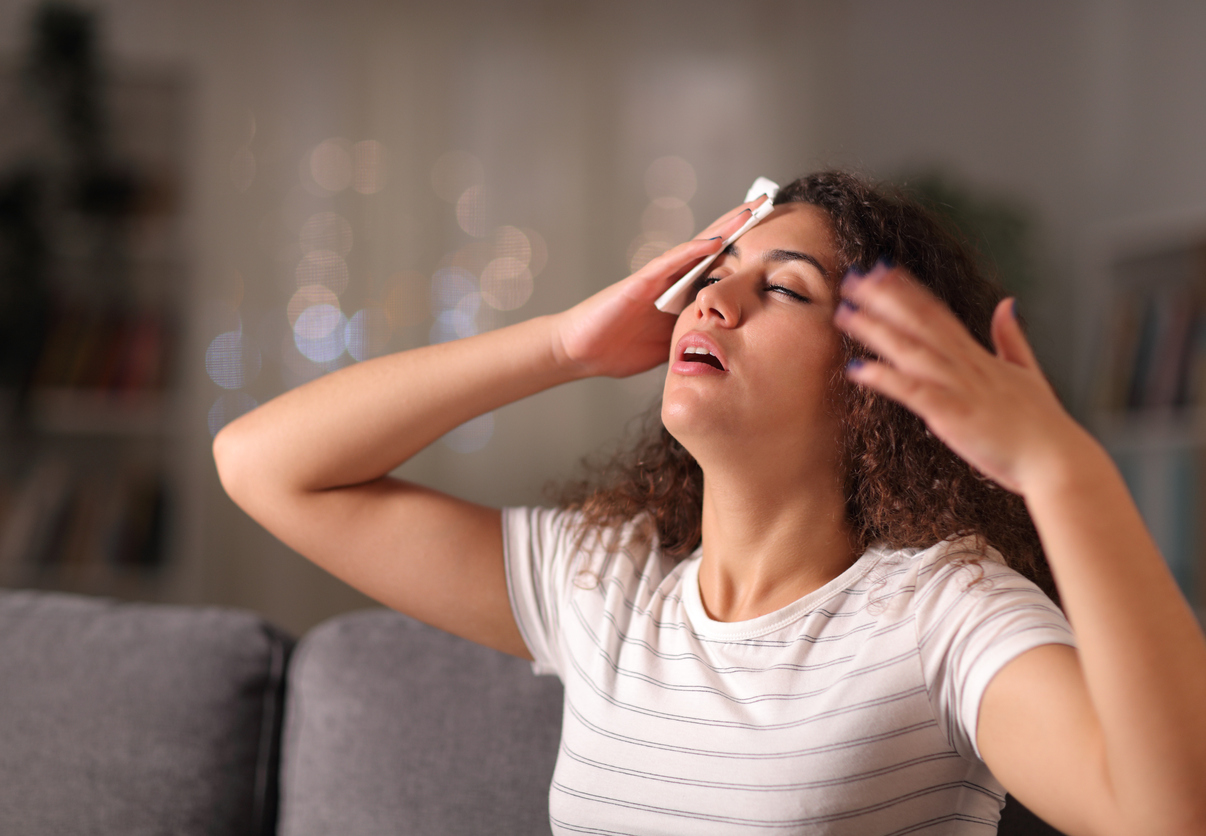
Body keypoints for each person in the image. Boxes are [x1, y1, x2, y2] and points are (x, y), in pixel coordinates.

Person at [213, 170, 1206, 835]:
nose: (712, 303)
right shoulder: (605, 580)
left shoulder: (940, 610)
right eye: (710, 274)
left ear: (877, 375)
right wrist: (563, 343)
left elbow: (1167, 812)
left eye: (785, 289)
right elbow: (263, 463)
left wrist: (1062, 470)